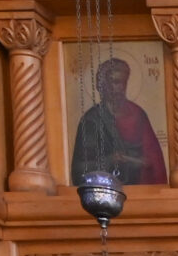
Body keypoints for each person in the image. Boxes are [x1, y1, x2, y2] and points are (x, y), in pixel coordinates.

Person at [70, 54, 167, 186]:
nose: (119, 88)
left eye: (122, 82)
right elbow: (79, 170)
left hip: (141, 189)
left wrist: (140, 162)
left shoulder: (138, 114)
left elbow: (155, 161)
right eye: (114, 82)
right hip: (105, 190)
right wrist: (110, 160)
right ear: (102, 86)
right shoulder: (91, 120)